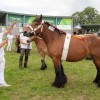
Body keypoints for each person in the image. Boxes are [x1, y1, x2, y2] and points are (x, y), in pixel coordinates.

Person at [0, 20, 16, 87]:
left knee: (1, 70)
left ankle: (2, 82)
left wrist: (13, 24)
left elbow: (8, 29)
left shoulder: (0, 35)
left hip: (1, 56)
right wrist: (3, 43)